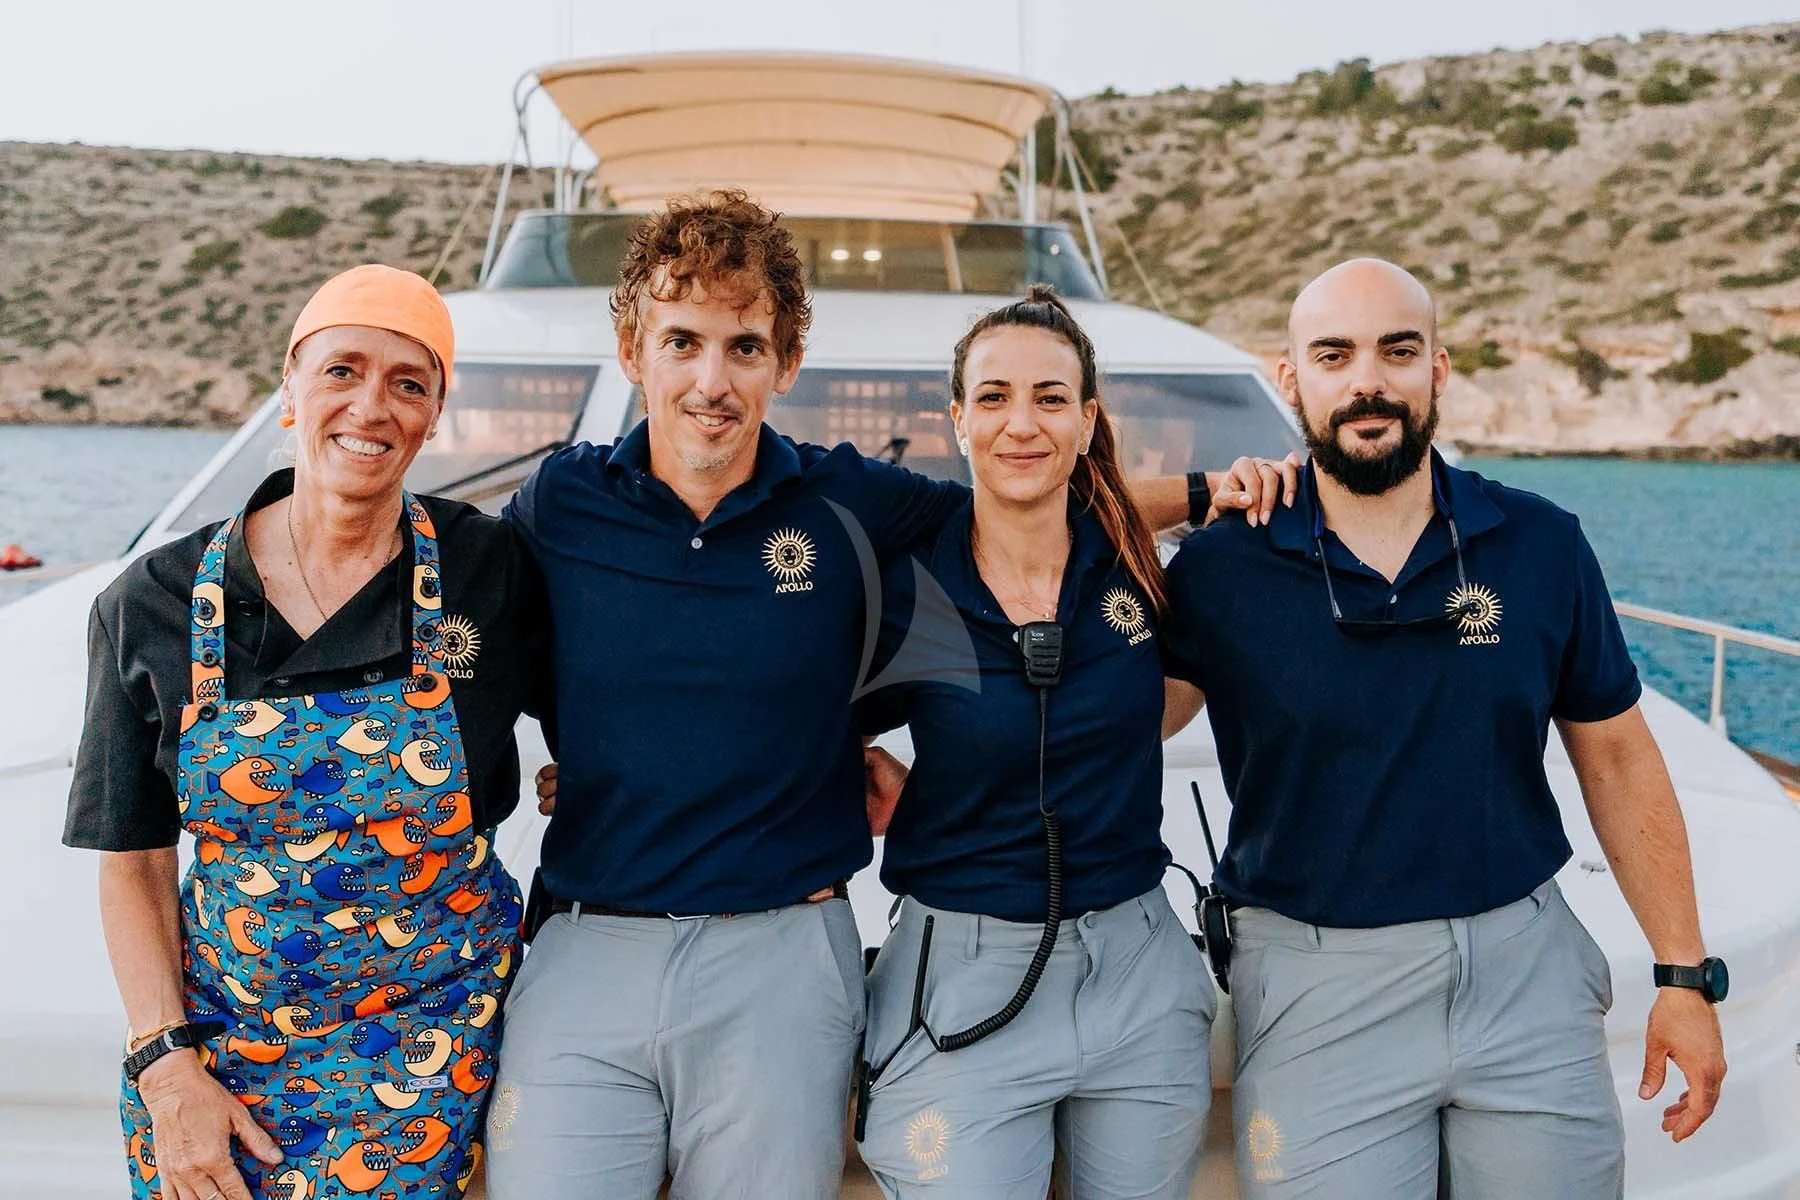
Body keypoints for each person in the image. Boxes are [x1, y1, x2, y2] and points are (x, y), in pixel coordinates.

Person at [486, 189, 1289, 1200]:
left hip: (784, 948)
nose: (710, 380)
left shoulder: (848, 501)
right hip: (589, 941)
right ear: (633, 350)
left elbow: (1026, 497)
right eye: (681, 341)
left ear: (784, 363)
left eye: (744, 347)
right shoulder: (558, 504)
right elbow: (462, 653)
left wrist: (1211, 496)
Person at [1160, 258, 1728, 1197]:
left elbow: (1620, 759)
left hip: (1527, 978)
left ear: (1439, 371)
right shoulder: (1222, 567)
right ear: (1290, 379)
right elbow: (1117, 728)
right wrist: (1175, 501)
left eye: (1398, 350)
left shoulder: (1540, 542)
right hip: (1315, 989)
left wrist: (1684, 976)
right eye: (1334, 355)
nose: (1368, 380)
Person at [64, 265, 553, 1200]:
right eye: (342, 370)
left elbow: (627, 698)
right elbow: (132, 856)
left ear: (435, 414)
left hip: (438, 1039)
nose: (372, 406)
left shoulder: (490, 571)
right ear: (287, 389)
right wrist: (167, 1070)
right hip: (218, 1059)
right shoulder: (152, 605)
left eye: (410, 384)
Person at [853, 287, 1215, 1198]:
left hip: (1140, 969)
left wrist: (1220, 492)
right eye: (994, 397)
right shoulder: (909, 585)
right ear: (958, 420)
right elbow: (780, 711)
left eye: (1052, 399)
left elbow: (1172, 695)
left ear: (1088, 419)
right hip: (963, 980)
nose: (1023, 424)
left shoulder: (1132, 568)